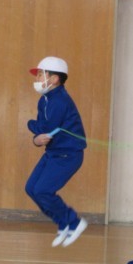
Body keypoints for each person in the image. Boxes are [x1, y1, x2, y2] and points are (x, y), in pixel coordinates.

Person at [25, 56, 88, 247]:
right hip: (54, 153)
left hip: (68, 155)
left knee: (43, 190)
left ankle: (74, 222)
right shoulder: (45, 100)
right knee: (31, 188)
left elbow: (45, 128)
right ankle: (63, 223)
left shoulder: (59, 101)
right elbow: (43, 131)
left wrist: (30, 125)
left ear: (54, 79)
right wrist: (36, 137)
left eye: (41, 75)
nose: (37, 79)